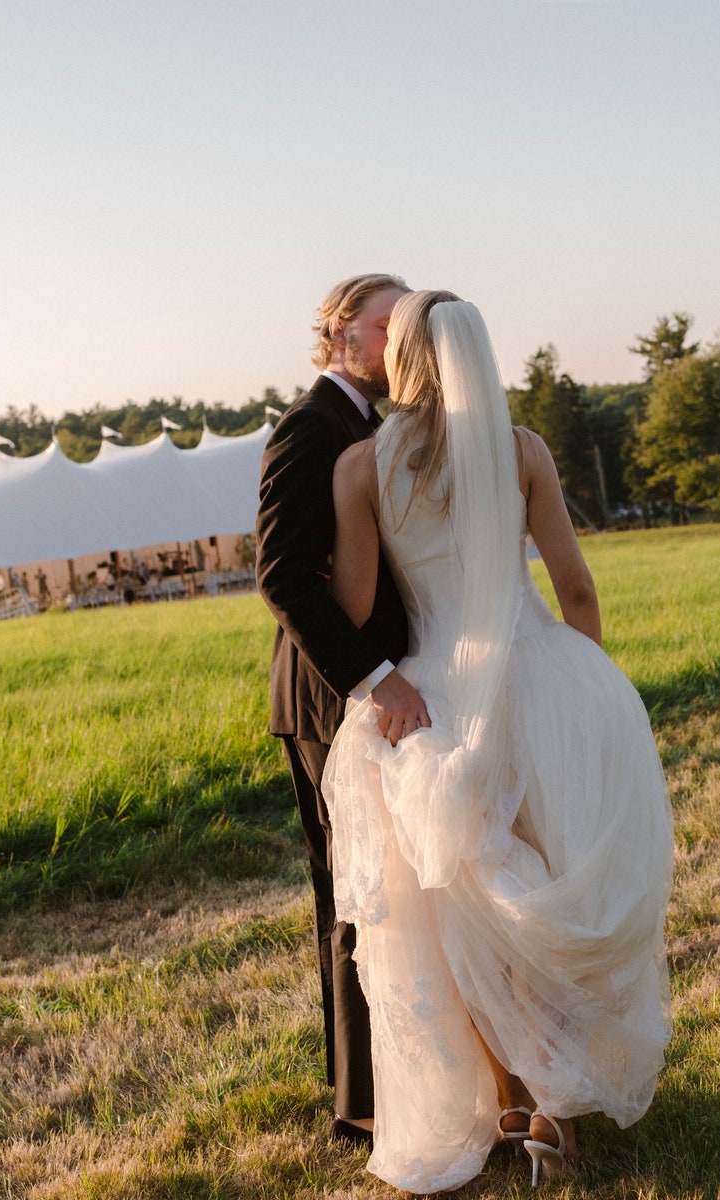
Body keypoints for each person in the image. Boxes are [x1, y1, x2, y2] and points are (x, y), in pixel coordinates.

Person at [323, 292, 673, 1192]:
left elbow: (360, 614)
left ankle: (515, 1097)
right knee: (541, 877)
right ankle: (555, 1097)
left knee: (460, 904)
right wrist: (584, 691)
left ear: (398, 358)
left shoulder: (362, 469)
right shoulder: (521, 454)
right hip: (534, 680)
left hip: (434, 702)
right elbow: (576, 589)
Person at [256, 273, 429, 1145]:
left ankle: (400, 1083)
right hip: (332, 699)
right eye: (383, 324)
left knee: (393, 890)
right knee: (355, 895)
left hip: (377, 689)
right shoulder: (309, 428)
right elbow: (282, 578)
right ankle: (358, 1109)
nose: (399, 340)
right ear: (338, 332)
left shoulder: (374, 427)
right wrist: (376, 677)